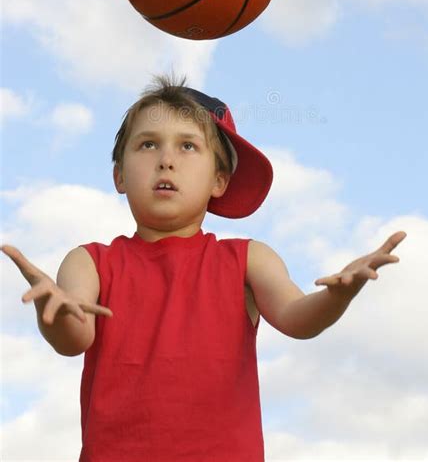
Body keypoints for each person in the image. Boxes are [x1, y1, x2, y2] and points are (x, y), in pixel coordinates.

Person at [2, 75, 406, 462]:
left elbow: (298, 319)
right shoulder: (89, 261)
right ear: (119, 175)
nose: (166, 161)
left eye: (187, 147)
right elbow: (73, 339)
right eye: (147, 145)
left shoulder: (249, 259)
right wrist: (51, 311)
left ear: (219, 180)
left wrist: (339, 295)